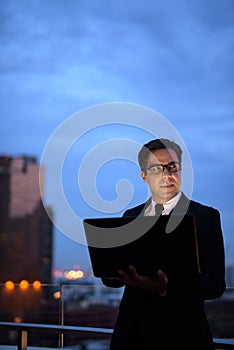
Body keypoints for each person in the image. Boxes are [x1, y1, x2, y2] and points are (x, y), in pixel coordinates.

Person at [102, 138, 226, 350]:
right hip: (133, 338)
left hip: (184, 338)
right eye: (158, 168)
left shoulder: (205, 217)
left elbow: (215, 285)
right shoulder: (129, 217)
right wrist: (113, 269)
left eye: (173, 167)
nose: (168, 175)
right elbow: (111, 280)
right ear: (144, 176)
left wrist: (168, 287)